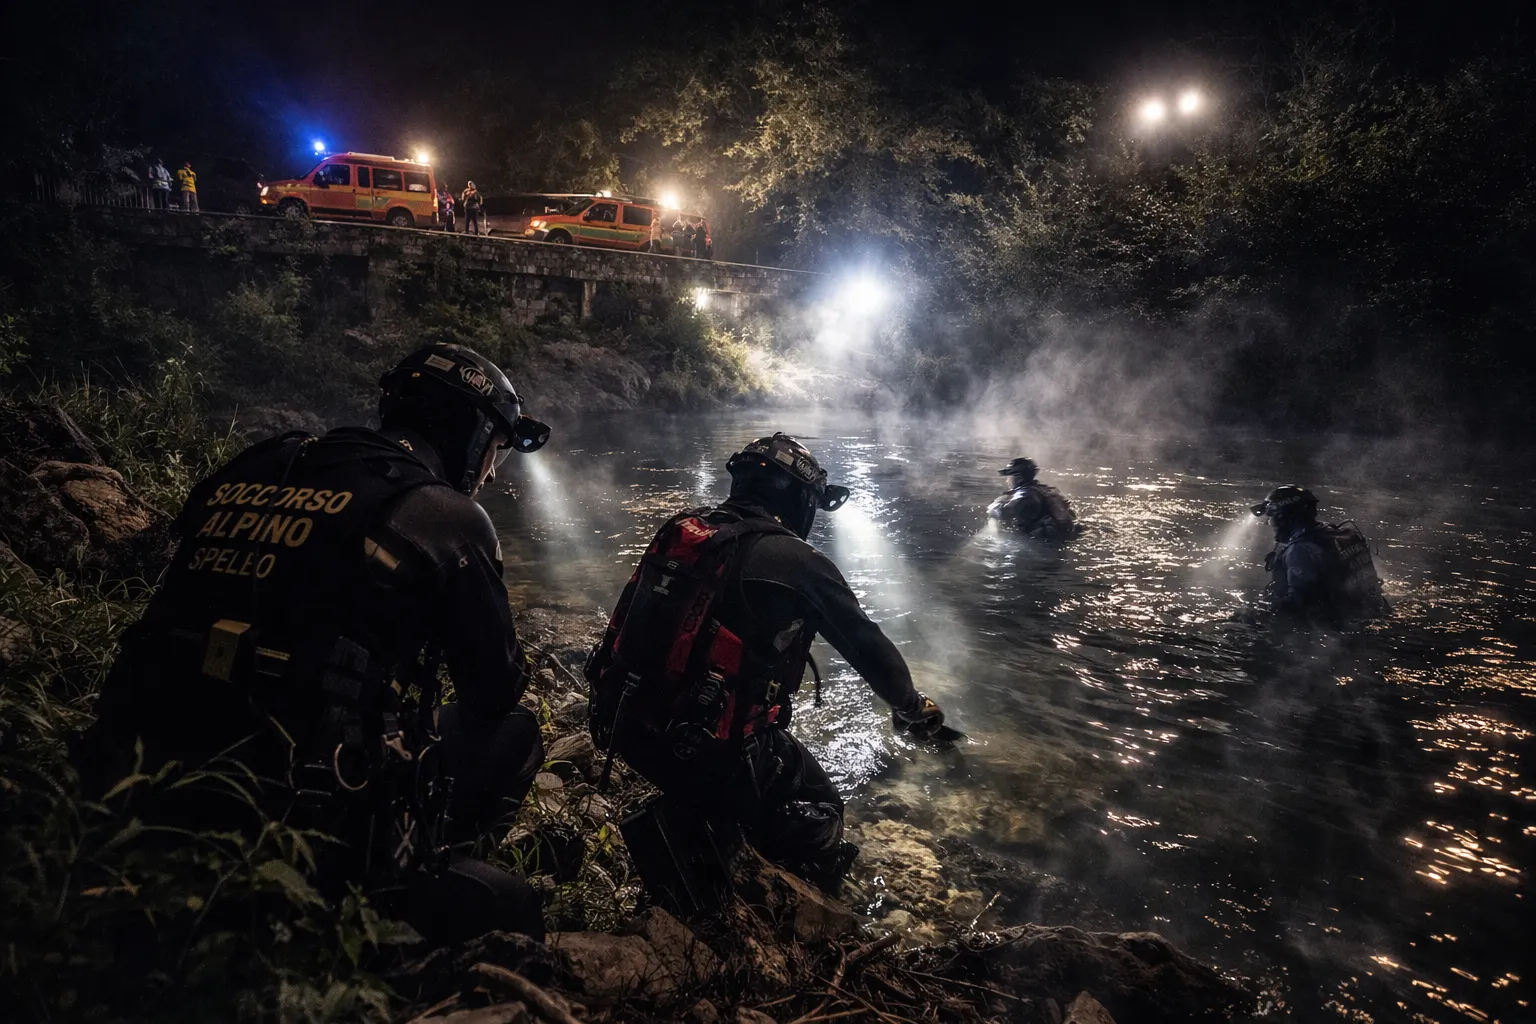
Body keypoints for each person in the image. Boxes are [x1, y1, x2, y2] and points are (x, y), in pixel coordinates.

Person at [74, 343, 556, 941]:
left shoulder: (263, 463)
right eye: (495, 451)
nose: (489, 472)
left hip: (136, 781)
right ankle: (397, 895)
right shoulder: (441, 511)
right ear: (471, 433)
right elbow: (494, 692)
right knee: (516, 774)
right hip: (303, 820)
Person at [586, 433, 946, 893]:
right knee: (821, 806)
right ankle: (791, 904)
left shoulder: (684, 530)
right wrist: (911, 707)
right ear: (799, 498)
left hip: (623, 725)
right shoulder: (797, 561)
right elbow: (869, 648)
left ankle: (702, 828)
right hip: (702, 756)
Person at [1251, 485, 1389, 623]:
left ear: (1284, 517)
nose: (1269, 523)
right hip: (1374, 611)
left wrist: (1262, 611)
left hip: (1338, 626)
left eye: (1271, 517)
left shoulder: (1300, 550)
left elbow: (1299, 602)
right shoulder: (1338, 535)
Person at [986, 457, 1077, 539]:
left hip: (1046, 544)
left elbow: (1003, 512)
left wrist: (994, 506)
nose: (1007, 480)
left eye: (1010, 476)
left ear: (1018, 477)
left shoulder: (1026, 494)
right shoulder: (1046, 491)